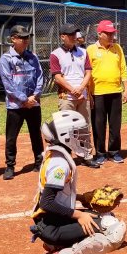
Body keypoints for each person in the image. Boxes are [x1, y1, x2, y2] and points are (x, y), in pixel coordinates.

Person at [29, 110, 127, 254]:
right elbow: (47, 202)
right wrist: (79, 214)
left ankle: (56, 244)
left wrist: (81, 198)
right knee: (113, 230)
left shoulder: (57, 154)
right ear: (65, 135)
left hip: (49, 220)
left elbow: (54, 194)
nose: (82, 136)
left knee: (105, 216)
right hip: (50, 225)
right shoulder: (60, 164)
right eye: (77, 133)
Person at [0, 25, 45, 180]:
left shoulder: (33, 57)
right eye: (22, 37)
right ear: (13, 39)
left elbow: (40, 77)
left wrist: (35, 96)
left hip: (33, 104)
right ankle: (10, 166)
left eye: (27, 37)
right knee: (11, 137)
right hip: (15, 106)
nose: (26, 40)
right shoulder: (6, 59)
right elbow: (8, 83)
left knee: (36, 134)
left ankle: (39, 161)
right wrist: (24, 99)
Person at [50, 23, 100, 168]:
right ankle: (65, 157)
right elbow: (57, 77)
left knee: (84, 126)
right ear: (62, 37)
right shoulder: (55, 54)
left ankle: (86, 155)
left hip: (82, 96)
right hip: (67, 97)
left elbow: (88, 72)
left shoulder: (83, 52)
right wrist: (72, 89)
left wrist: (82, 88)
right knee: (66, 128)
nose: (74, 37)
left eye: (75, 34)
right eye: (71, 35)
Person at [86, 19, 127, 164]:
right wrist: (89, 93)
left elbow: (123, 68)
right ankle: (100, 153)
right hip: (97, 93)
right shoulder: (90, 50)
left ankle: (114, 151)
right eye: (108, 34)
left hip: (115, 91)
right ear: (99, 34)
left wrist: (126, 88)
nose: (112, 36)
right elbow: (87, 73)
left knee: (115, 124)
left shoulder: (117, 48)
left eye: (113, 34)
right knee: (98, 124)